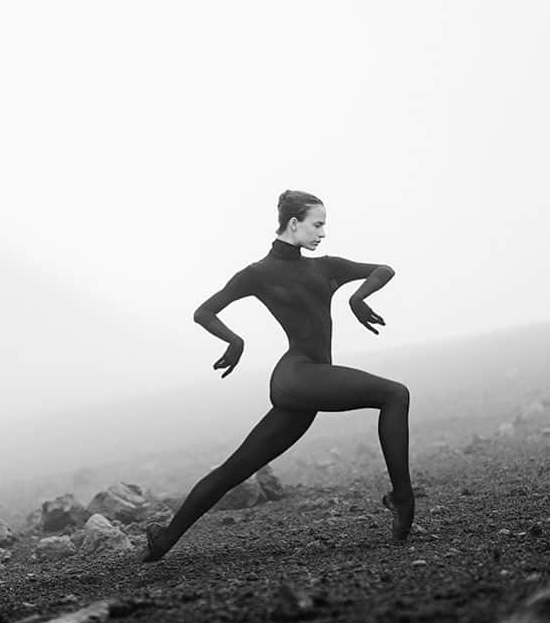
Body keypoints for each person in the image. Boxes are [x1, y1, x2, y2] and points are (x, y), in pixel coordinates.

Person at [141, 189, 414, 562]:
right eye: (317, 225)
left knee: (234, 469)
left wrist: (356, 298)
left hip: (308, 383)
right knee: (395, 394)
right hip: (296, 375)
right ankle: (402, 497)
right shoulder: (258, 274)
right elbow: (204, 312)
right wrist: (234, 341)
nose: (322, 233)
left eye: (324, 226)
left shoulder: (325, 267)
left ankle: (163, 541)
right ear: (293, 224)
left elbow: (384, 270)